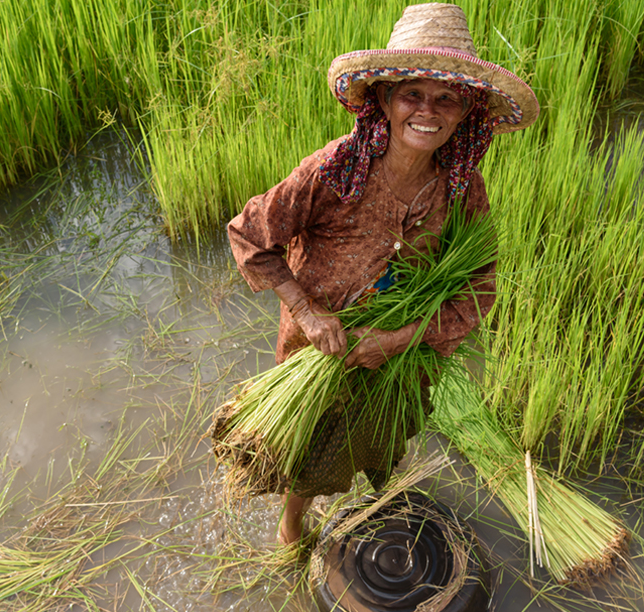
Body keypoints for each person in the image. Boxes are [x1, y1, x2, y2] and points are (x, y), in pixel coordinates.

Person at [224, 3, 539, 545]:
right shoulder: (335, 169)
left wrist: (400, 339)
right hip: (316, 350)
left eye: (446, 98)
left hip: (403, 354)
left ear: (466, 111)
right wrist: (306, 311)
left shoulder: (463, 189)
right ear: (385, 100)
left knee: (381, 434)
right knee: (306, 442)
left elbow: (479, 286)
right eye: (411, 94)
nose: (427, 110)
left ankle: (372, 512)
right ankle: (292, 529)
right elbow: (249, 236)